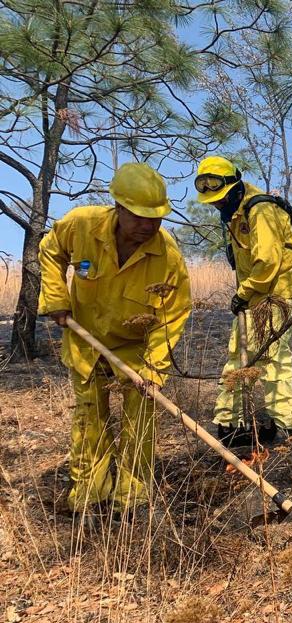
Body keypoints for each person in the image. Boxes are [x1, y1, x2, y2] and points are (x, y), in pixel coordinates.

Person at [38, 163, 192, 518]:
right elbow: (50, 250)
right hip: (86, 341)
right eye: (139, 217)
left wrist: (154, 366)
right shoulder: (82, 224)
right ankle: (89, 495)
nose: (148, 226)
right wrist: (57, 298)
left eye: (156, 218)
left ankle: (132, 499)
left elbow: (174, 313)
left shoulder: (167, 256)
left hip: (137, 350)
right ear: (119, 207)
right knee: (90, 418)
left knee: (140, 423)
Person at [194, 156, 292, 446]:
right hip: (255, 292)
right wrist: (245, 295)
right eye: (213, 201)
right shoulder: (236, 213)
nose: (217, 205)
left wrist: (242, 294)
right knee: (239, 352)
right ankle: (231, 423)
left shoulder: (261, 210)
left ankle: (284, 426)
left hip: (279, 290)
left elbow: (268, 262)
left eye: (221, 198)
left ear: (235, 187)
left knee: (273, 356)